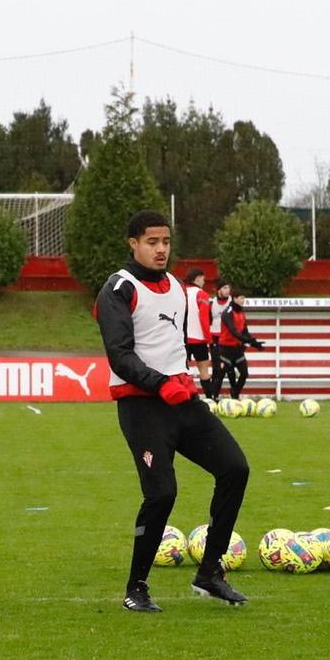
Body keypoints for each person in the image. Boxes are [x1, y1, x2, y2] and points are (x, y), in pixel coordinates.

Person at [99, 210, 248, 613]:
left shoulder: (179, 290)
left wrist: (186, 377)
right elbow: (119, 355)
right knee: (162, 493)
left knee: (235, 469)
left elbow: (179, 342)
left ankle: (210, 572)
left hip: (182, 402)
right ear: (133, 243)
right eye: (152, 242)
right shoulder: (119, 287)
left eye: (165, 241)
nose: (161, 249)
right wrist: (160, 383)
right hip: (142, 406)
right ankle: (137, 587)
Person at [210, 282, 265, 399]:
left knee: (244, 374)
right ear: (234, 298)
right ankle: (214, 398)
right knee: (222, 373)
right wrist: (250, 341)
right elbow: (233, 331)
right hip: (225, 349)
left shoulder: (241, 313)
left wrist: (254, 342)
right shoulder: (227, 313)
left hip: (237, 349)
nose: (243, 300)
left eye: (244, 298)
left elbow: (245, 331)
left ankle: (234, 394)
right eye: (241, 298)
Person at [183, 266, 214, 386]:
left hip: (183, 339)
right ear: (197, 279)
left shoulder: (181, 291)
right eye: (202, 279)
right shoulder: (201, 294)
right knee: (204, 372)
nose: (204, 282)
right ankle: (209, 399)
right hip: (199, 339)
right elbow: (204, 318)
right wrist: (209, 339)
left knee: (182, 371)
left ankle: (183, 399)